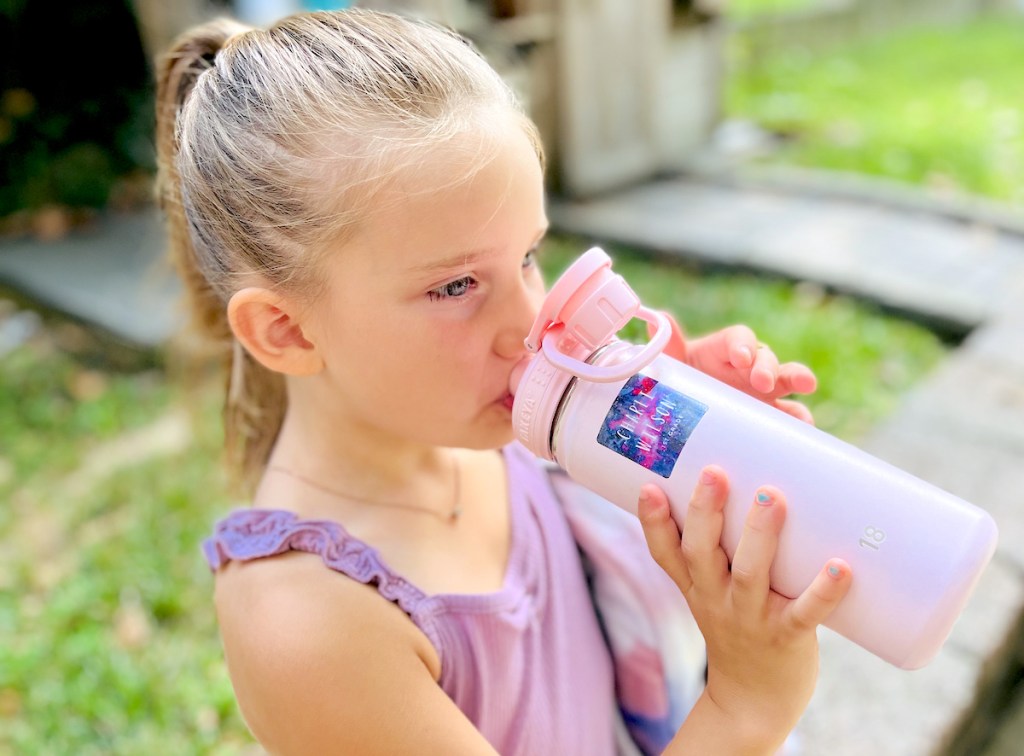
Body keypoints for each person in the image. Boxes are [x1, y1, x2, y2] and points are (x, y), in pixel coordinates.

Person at [155, 8, 852, 754]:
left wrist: (697, 438)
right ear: (286, 331)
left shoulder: (489, 420)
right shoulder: (306, 619)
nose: (534, 325)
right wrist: (747, 707)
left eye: (526, 257)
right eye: (456, 287)